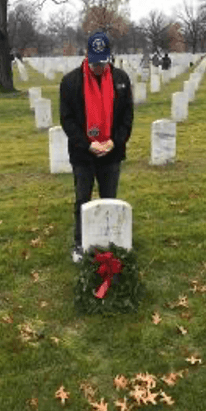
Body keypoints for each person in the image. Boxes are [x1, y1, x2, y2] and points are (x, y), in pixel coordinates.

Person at [60, 31, 134, 262]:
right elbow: (67, 119)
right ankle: (80, 244)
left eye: (102, 62)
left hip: (111, 153)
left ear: (109, 57)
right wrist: (87, 144)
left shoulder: (121, 79)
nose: (98, 67)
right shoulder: (71, 82)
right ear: (86, 55)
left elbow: (127, 117)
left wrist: (115, 141)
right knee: (83, 199)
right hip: (84, 154)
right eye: (94, 62)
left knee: (109, 198)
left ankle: (109, 242)